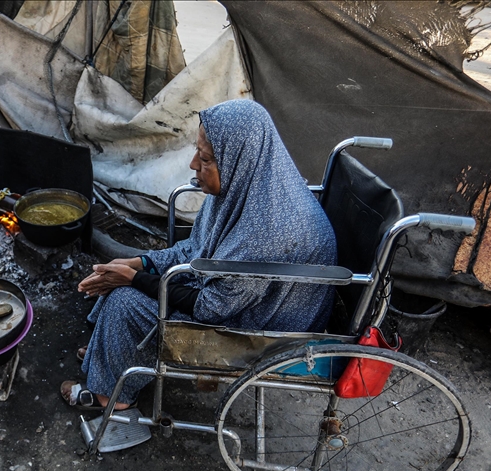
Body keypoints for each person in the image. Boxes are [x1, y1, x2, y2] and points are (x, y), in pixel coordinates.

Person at [61, 99, 337, 411]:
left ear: (235, 161)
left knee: (127, 302)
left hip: (265, 328)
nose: (193, 164)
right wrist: (138, 263)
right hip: (243, 296)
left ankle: (111, 396)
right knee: (122, 276)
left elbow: (211, 309)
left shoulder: (265, 234)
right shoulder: (247, 186)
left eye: (204, 158)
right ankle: (110, 352)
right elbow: (195, 249)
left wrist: (136, 278)